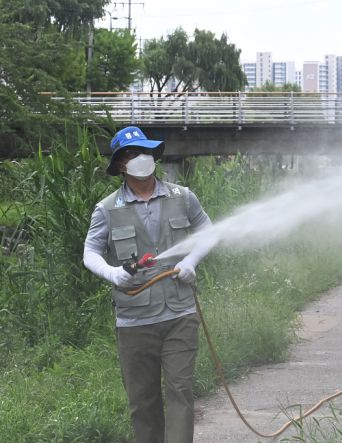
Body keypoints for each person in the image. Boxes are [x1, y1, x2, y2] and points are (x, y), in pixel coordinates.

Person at [83, 126, 214, 443]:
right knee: (143, 402)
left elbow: (208, 232)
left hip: (179, 315)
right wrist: (114, 273)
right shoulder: (107, 209)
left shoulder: (183, 197)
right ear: (120, 166)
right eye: (130, 154)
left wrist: (190, 261)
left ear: (153, 155)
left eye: (144, 151)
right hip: (134, 321)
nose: (140, 158)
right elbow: (90, 252)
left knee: (180, 390)